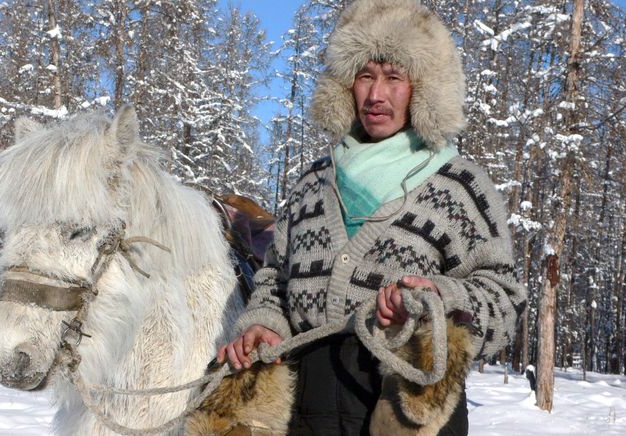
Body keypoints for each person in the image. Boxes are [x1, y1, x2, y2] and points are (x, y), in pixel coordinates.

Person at [217, 0, 527, 434]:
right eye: (365, 76)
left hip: (406, 413)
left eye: (394, 77)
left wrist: (438, 302)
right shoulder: (312, 184)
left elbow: (504, 302)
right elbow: (274, 283)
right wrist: (264, 325)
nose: (376, 95)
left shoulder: (459, 186)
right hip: (307, 413)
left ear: (424, 88)